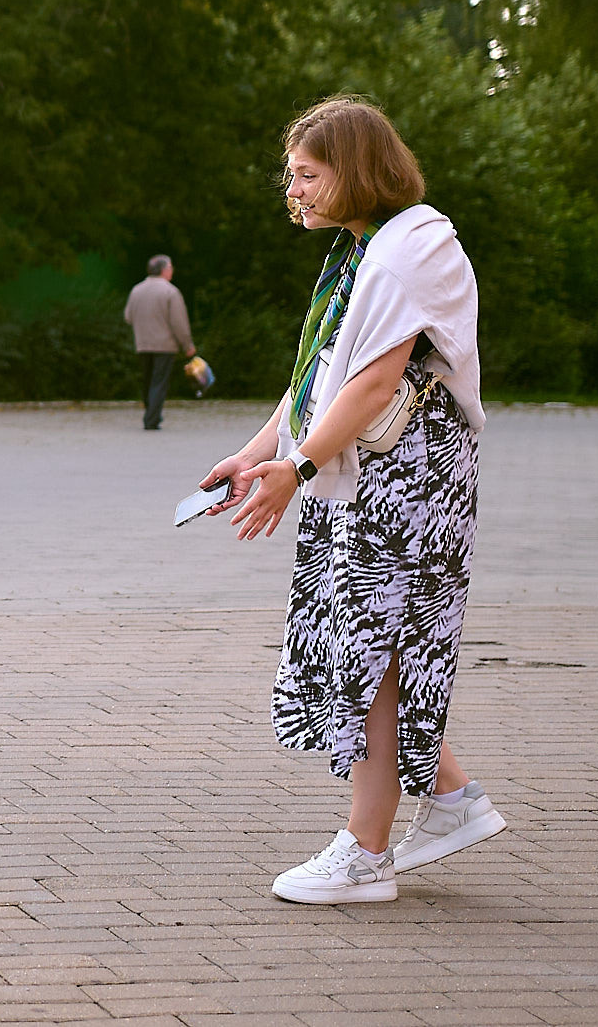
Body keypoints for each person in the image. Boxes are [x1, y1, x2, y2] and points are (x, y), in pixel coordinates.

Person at [201, 97, 505, 905]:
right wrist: (258, 452)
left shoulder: (408, 250)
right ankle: (450, 797)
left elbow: (374, 382)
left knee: (372, 645)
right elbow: (322, 377)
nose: (292, 191)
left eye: (307, 174)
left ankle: (367, 854)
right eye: (291, 176)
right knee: (376, 641)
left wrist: (296, 469)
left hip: (408, 478)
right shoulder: (360, 251)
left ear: (356, 169)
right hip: (372, 470)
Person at [124, 255, 195, 430]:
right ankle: (152, 419)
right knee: (159, 382)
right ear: (164, 270)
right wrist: (187, 345)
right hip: (164, 346)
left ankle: (150, 413)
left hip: (142, 344)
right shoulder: (170, 292)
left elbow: (128, 317)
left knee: (147, 381)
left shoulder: (136, 290)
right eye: (170, 267)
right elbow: (179, 323)